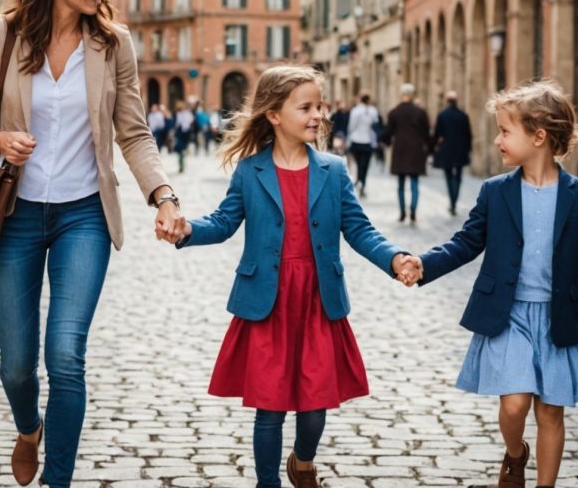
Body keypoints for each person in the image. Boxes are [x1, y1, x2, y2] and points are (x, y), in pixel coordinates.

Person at [0, 0, 187, 487]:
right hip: (13, 216)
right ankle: (27, 428)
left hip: (84, 214)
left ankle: (58, 480)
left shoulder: (113, 43)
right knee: (17, 364)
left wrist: (164, 194)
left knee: (66, 356)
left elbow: (133, 131)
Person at [162, 65, 420, 488]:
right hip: (268, 300)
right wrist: (187, 229)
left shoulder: (334, 170)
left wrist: (395, 258)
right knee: (270, 407)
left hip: (318, 298)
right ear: (274, 115)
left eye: (320, 106)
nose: (318, 115)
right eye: (306, 107)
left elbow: (358, 228)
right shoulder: (250, 171)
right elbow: (224, 222)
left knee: (315, 406)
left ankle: (302, 461)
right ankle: (268, 483)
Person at [397, 79, 578, 488]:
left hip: (556, 318)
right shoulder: (495, 192)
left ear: (538, 137)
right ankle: (516, 454)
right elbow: (466, 243)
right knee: (514, 405)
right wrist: (423, 264)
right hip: (507, 315)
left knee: (551, 410)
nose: (497, 140)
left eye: (504, 131)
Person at [384, 83, 432, 223]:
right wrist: (429, 147)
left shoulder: (394, 112)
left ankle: (402, 213)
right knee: (414, 183)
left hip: (400, 150)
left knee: (400, 184)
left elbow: (388, 132)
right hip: (415, 151)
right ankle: (413, 211)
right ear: (413, 95)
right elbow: (426, 133)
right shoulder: (420, 112)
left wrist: (385, 142)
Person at [433, 90, 474, 216]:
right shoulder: (463, 115)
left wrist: (435, 147)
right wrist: (468, 149)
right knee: (458, 177)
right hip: (460, 150)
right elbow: (468, 135)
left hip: (447, 149)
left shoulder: (442, 115)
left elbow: (437, 134)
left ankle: (452, 201)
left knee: (449, 176)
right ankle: (454, 201)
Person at [345, 93, 379, 198]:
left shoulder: (356, 111)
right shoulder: (373, 111)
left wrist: (348, 138)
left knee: (359, 163)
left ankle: (360, 181)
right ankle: (362, 182)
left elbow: (351, 126)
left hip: (356, 140)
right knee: (365, 164)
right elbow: (376, 123)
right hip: (368, 141)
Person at [173, 100, 194, 173]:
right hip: (180, 133)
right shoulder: (178, 114)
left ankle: (182, 166)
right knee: (180, 151)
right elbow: (177, 124)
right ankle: (181, 166)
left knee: (181, 151)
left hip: (185, 133)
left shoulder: (188, 114)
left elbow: (190, 122)